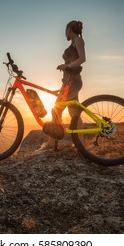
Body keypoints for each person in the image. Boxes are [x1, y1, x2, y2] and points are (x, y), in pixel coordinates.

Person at [37, 20, 86, 151]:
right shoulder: (73, 43)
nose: (65, 33)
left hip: (73, 81)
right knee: (75, 113)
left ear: (70, 29)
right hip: (68, 81)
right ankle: (79, 144)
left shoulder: (79, 41)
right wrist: (65, 67)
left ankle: (51, 143)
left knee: (56, 109)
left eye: (65, 31)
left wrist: (67, 66)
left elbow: (82, 59)